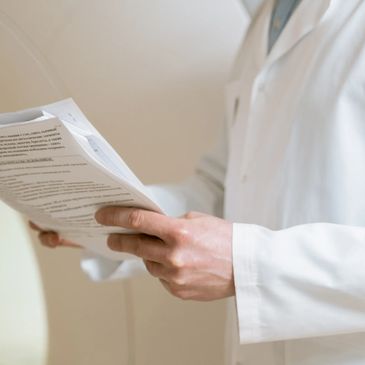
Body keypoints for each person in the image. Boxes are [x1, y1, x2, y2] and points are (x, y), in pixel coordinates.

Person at [32, 0, 365, 364]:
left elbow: (242, 244)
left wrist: (249, 265)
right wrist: (102, 213)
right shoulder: (267, 20)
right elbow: (228, 187)